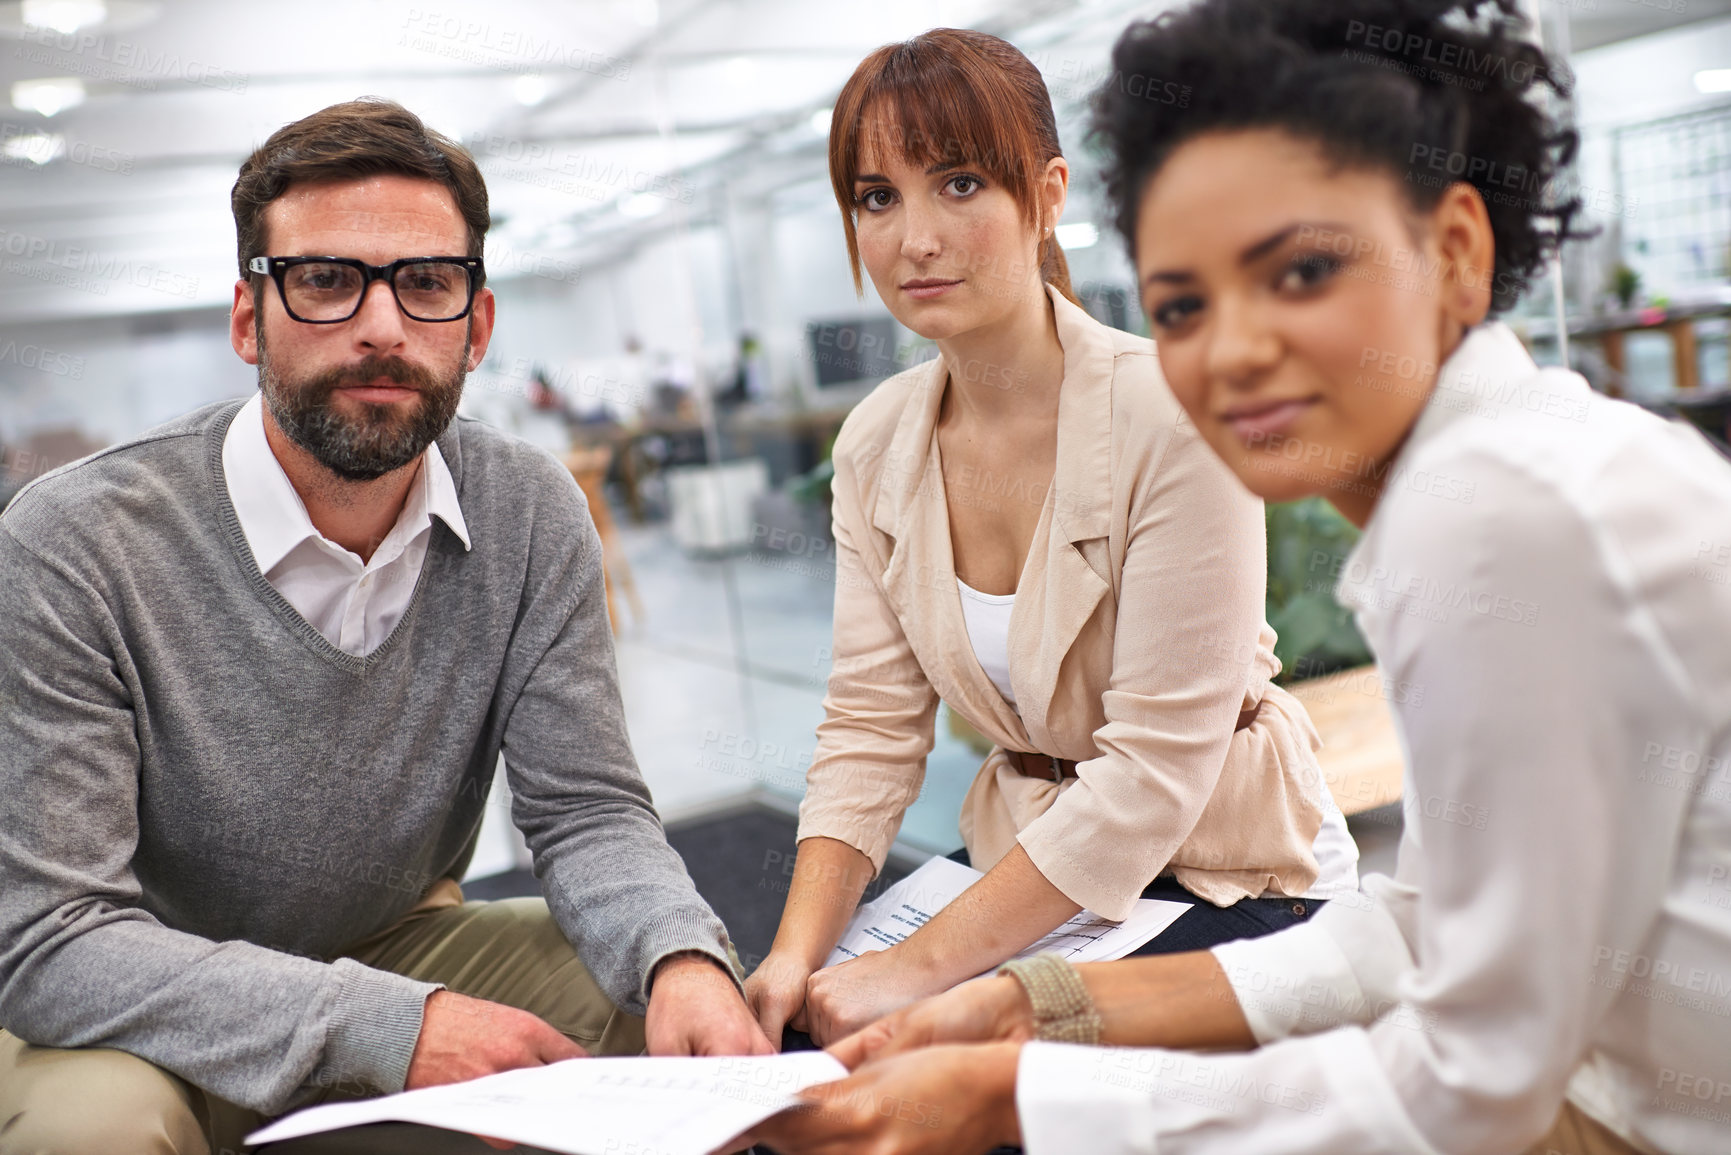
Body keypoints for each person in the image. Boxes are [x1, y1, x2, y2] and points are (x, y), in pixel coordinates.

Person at [738, 1, 1731, 1152]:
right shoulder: (1509, 465)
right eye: (1183, 307)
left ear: (1457, 250)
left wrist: (1019, 1090)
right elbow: (1420, 933)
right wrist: (1036, 1008)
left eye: (1302, 270)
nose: (1236, 350)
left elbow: (1471, 1080)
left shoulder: (1503, 513)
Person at [0, 98, 770, 1155]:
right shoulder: (75, 541)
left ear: (478, 325)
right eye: (323, 281)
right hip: (144, 993)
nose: (381, 326)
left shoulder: (527, 511)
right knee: (91, 1133)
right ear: (246, 318)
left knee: (672, 1015)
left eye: (426, 283)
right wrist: (390, 1031)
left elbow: (586, 813)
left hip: (391, 943)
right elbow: (53, 941)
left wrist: (680, 957)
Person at [744, 27, 1357, 1050]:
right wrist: (795, 958)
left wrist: (913, 967)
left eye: (960, 183)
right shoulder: (875, 446)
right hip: (1043, 882)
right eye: (876, 197)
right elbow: (870, 728)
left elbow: (1155, 771)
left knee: (948, 1078)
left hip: (1228, 868)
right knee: (808, 1053)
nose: (915, 239)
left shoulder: (1173, 413)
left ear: (1049, 193)